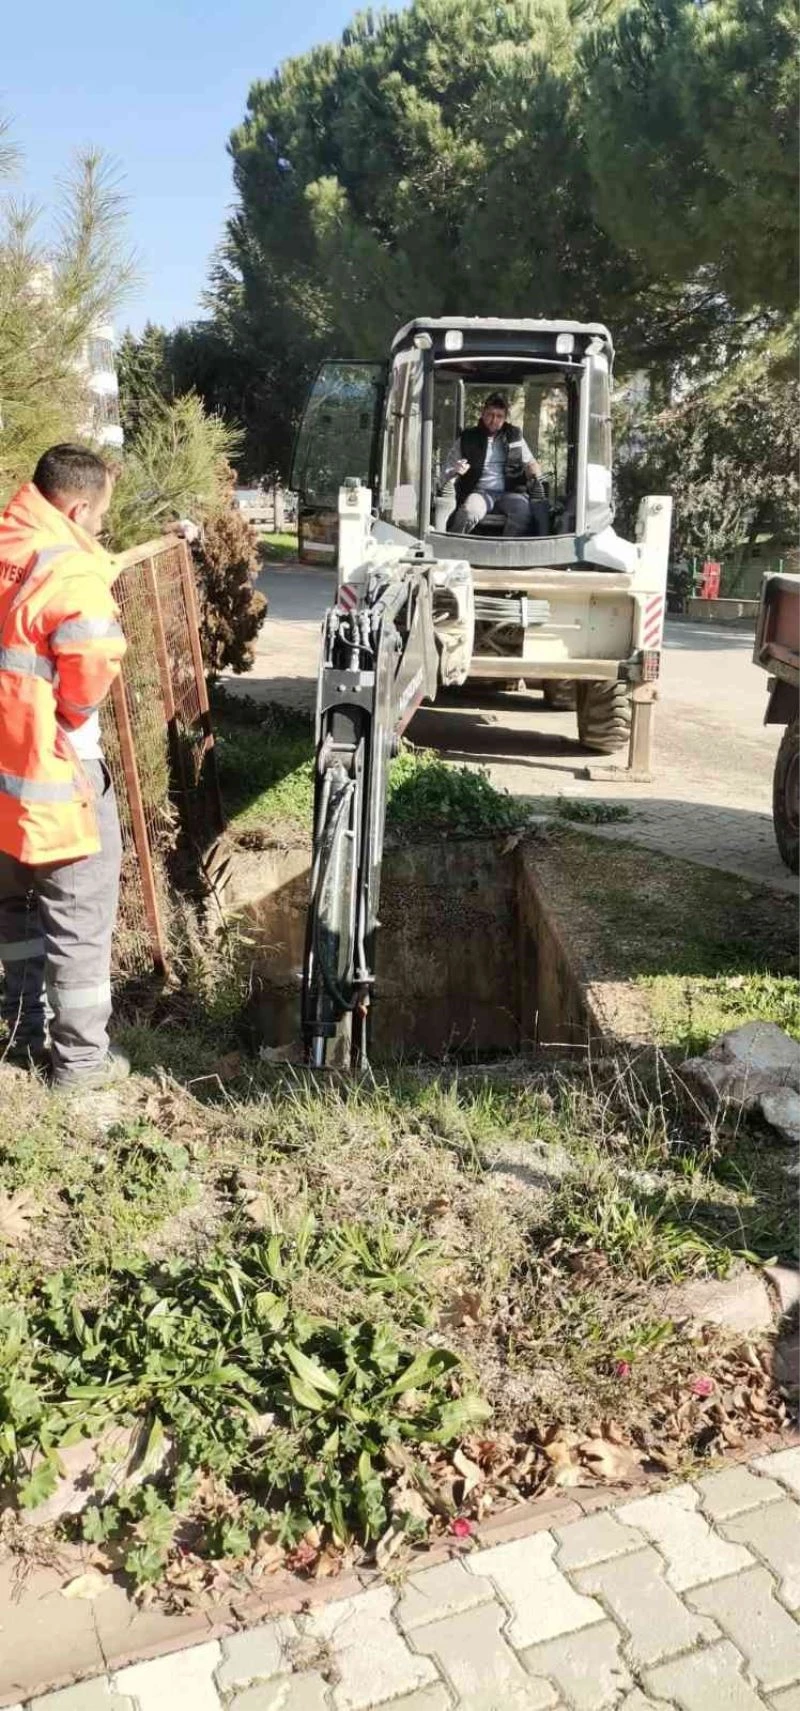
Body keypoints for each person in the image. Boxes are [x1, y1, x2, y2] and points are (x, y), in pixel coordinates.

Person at [0, 445, 130, 1089]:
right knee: (79, 917)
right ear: (77, 507)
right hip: (55, 774)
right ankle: (79, 1067)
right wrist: (75, 713)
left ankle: (21, 1033)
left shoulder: (9, 543)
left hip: (4, 777)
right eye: (101, 516)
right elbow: (93, 656)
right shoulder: (71, 571)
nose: (101, 528)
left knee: (15, 909)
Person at [441, 393, 548, 536]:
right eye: (490, 415)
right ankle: (452, 545)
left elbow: (530, 463)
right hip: (479, 492)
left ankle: (507, 550)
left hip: (509, 493)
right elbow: (448, 470)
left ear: (505, 418)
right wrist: (456, 470)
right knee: (469, 512)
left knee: (523, 512)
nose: (494, 420)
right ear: (482, 413)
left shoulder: (514, 436)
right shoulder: (468, 437)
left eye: (499, 416)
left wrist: (534, 471)